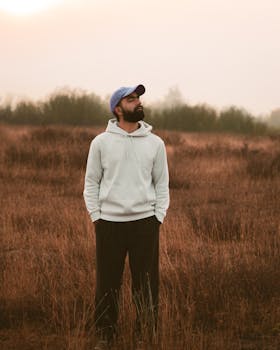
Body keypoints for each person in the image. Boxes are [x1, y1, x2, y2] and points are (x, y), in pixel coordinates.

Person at [83, 84, 169, 348]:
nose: (138, 102)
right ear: (117, 108)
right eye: (131, 99)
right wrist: (97, 217)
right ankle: (106, 336)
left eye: (139, 98)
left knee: (146, 284)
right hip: (109, 224)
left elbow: (162, 184)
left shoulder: (155, 144)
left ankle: (146, 336)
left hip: (145, 223)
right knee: (107, 284)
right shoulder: (100, 143)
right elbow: (91, 183)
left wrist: (158, 217)